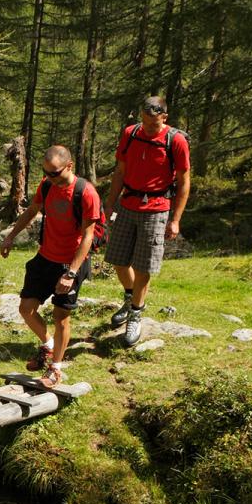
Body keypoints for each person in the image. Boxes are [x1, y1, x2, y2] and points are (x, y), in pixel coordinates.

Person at [0, 145, 101, 387]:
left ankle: (55, 369)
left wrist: (71, 273)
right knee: (26, 309)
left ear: (69, 166)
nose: (50, 178)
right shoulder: (46, 186)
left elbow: (88, 236)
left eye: (55, 173)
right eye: (46, 172)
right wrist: (11, 236)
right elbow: (32, 211)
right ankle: (49, 345)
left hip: (71, 262)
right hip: (45, 257)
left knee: (60, 317)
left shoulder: (86, 193)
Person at [102, 95, 192, 346]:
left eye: (154, 123)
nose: (149, 127)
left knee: (144, 266)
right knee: (118, 260)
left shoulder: (176, 141)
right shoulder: (131, 134)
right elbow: (120, 171)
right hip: (128, 203)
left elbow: (184, 182)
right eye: (145, 122)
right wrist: (109, 204)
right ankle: (130, 297)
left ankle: (135, 314)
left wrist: (176, 219)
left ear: (165, 117)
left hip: (157, 208)